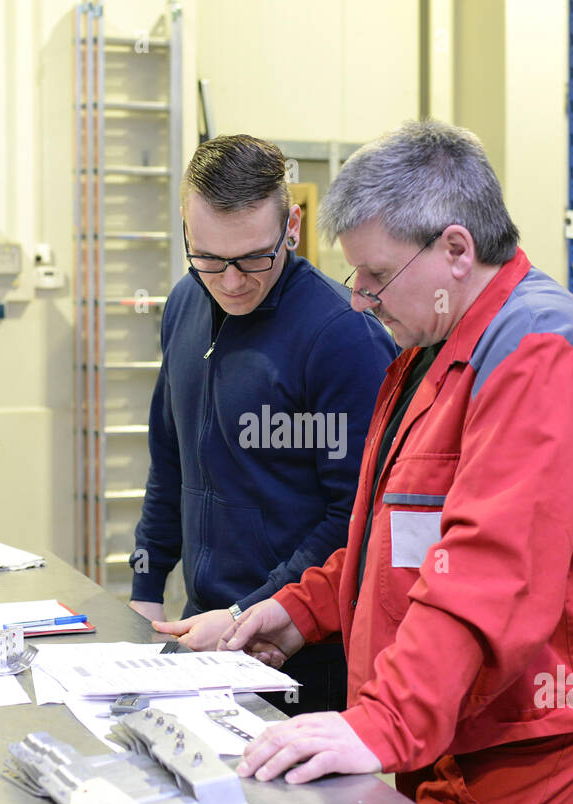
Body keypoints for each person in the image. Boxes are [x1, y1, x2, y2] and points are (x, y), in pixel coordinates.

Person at [223, 120, 573, 804]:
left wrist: (382, 720)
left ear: (455, 248)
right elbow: (407, 537)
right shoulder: (432, 350)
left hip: (520, 744)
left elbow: (491, 567)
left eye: (375, 276)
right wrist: (302, 609)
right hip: (449, 721)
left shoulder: (537, 350)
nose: (359, 300)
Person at [130, 134, 397, 713]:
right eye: (208, 258)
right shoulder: (183, 305)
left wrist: (247, 614)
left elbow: (354, 518)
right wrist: (147, 590)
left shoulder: (342, 335)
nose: (230, 282)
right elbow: (169, 459)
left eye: (254, 258)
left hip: (303, 654)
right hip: (207, 636)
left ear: (292, 225)